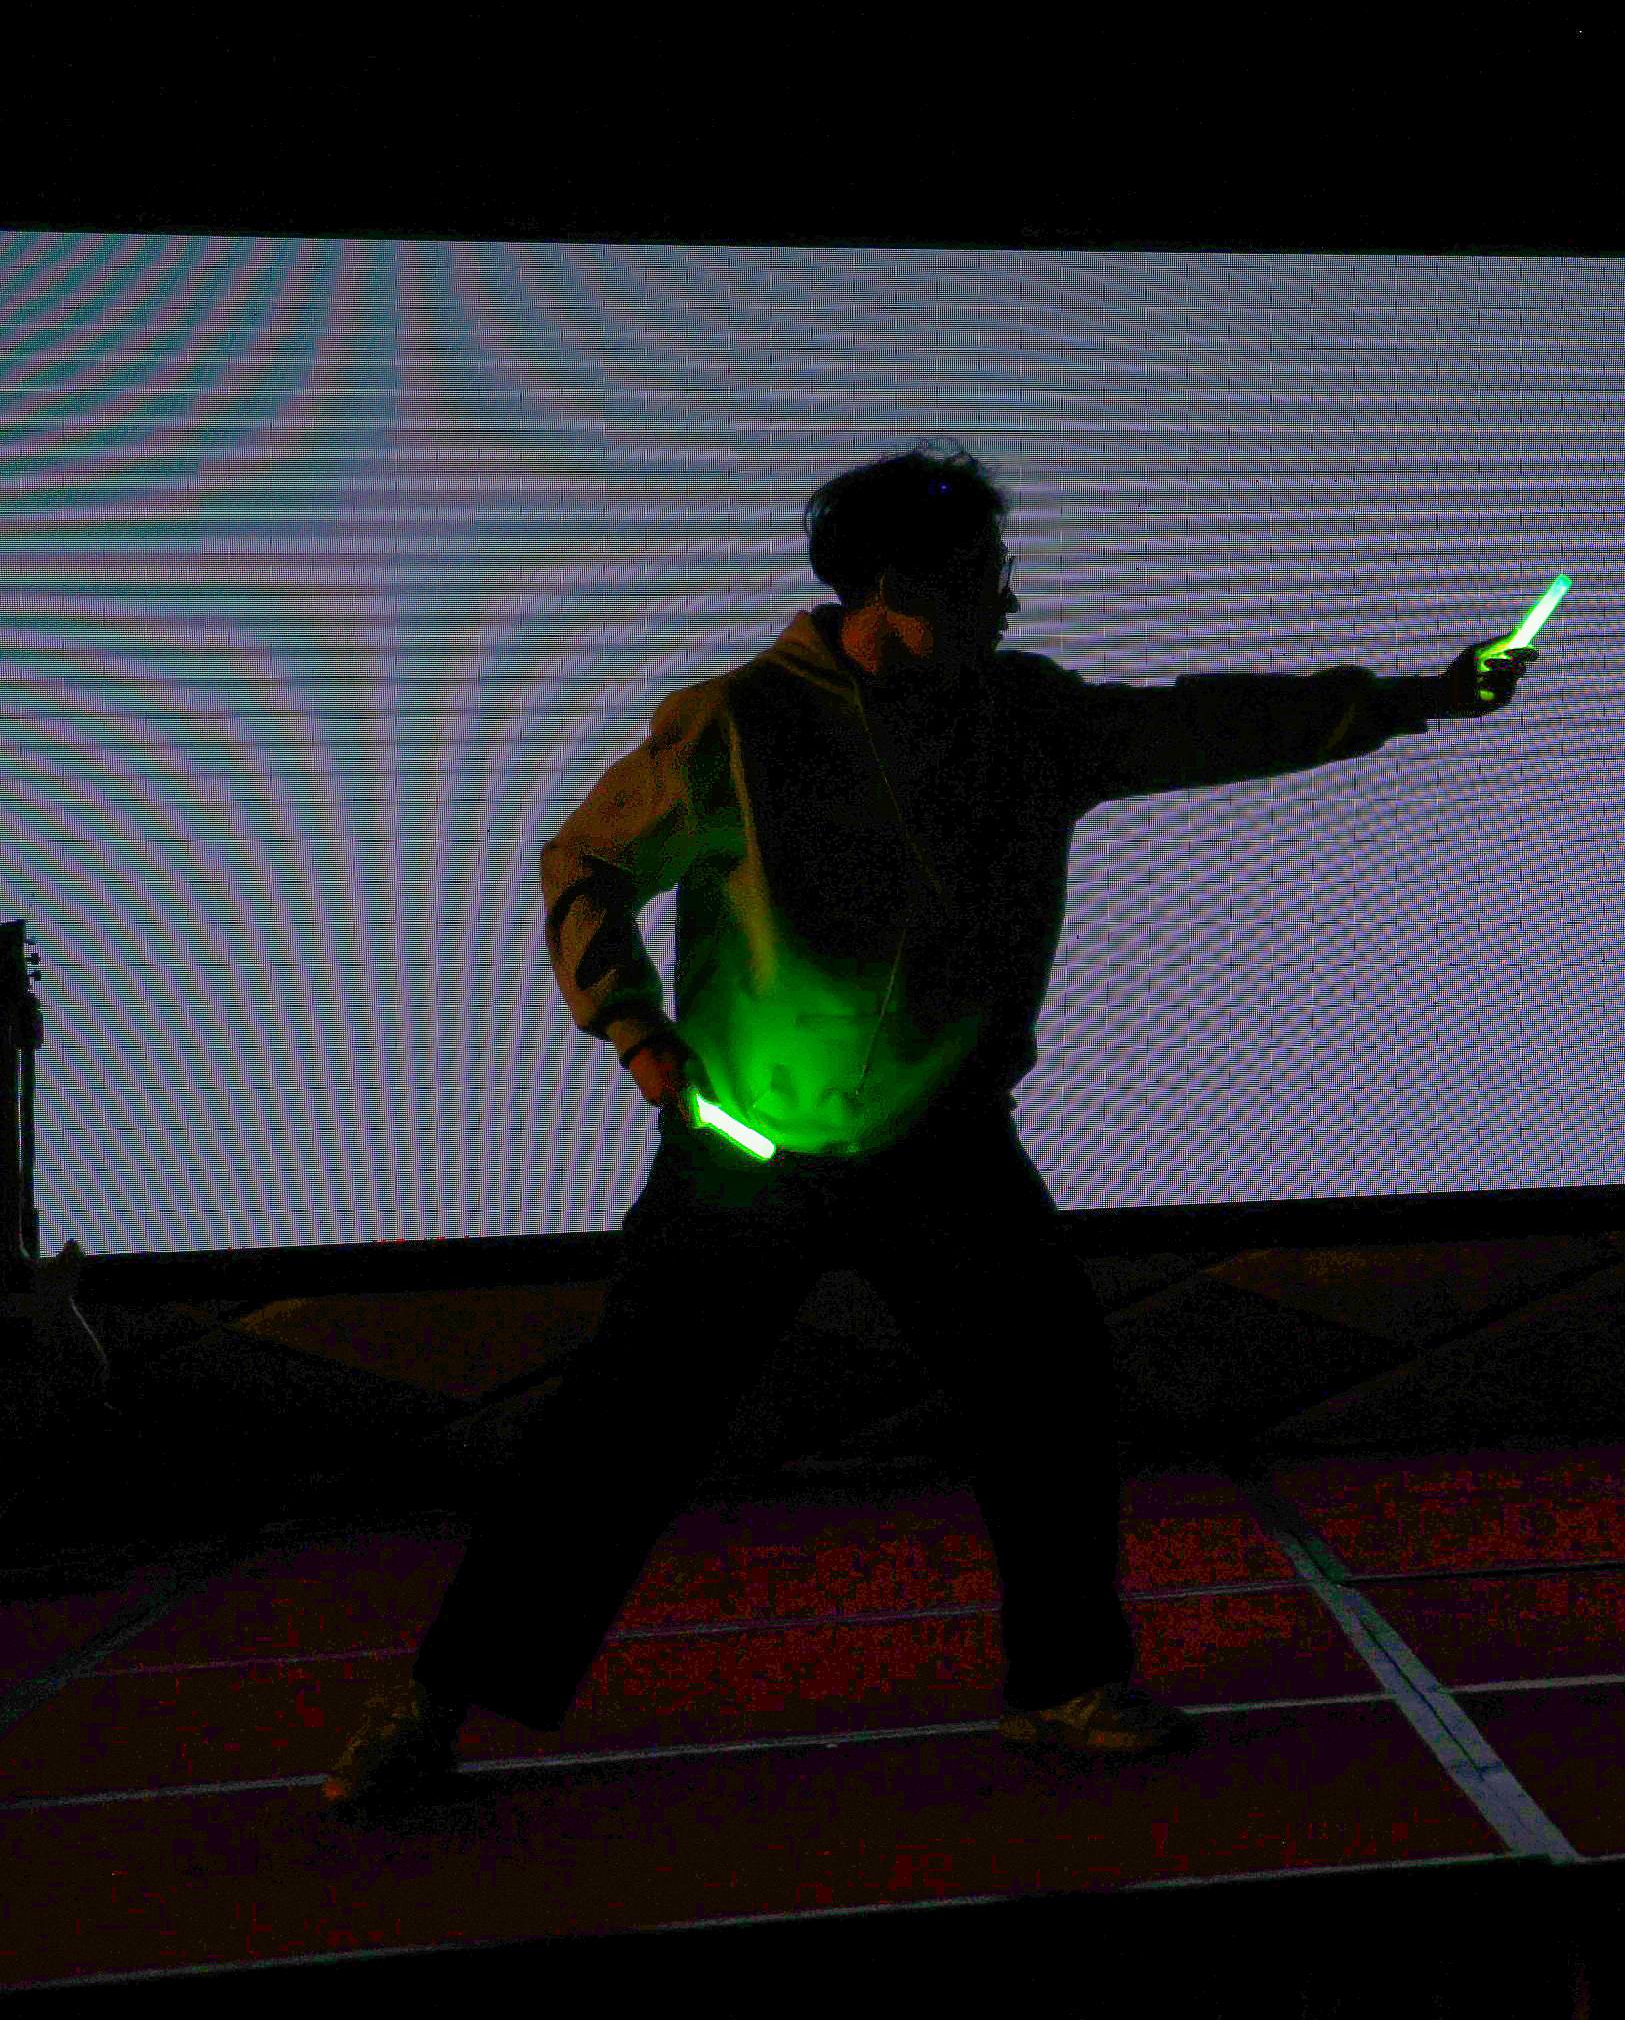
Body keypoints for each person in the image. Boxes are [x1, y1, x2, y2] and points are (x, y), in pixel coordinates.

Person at [324, 443, 1528, 1814]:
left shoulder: (1025, 717)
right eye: (983, 577)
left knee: (1049, 1392)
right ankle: (435, 1701)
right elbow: (586, 862)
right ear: (893, 586)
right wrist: (639, 1034)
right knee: (623, 1431)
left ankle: (1064, 1682)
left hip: (941, 1142)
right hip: (744, 1154)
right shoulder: (737, 722)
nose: (1009, 602)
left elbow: (1208, 724)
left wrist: (1423, 697)